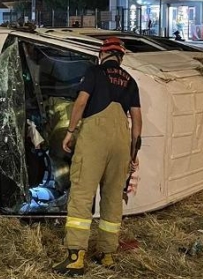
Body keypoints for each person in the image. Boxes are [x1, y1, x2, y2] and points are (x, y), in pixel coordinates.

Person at [52, 36, 142, 275]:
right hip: (122, 141)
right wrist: (134, 152)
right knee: (113, 196)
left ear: (102, 55)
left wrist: (70, 131)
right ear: (120, 57)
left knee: (82, 194)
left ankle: (75, 257)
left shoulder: (94, 73)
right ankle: (107, 254)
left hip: (95, 138)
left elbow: (81, 102)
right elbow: (137, 121)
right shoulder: (130, 80)